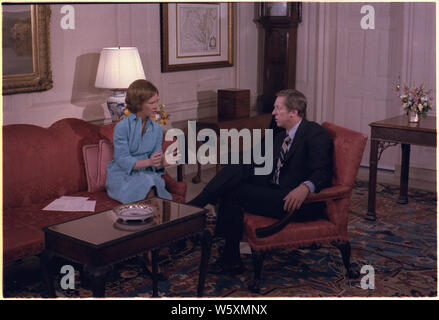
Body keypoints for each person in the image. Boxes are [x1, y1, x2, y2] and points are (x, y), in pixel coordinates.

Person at [187, 89, 334, 274]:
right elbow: (254, 157)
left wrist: (305, 187)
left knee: (235, 191)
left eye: (278, 108)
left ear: (293, 113)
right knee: (237, 171)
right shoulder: (281, 134)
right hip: (276, 188)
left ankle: (194, 211)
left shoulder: (316, 134)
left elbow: (323, 171)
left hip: (299, 201)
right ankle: (227, 254)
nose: (273, 113)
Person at [106, 79, 172, 204]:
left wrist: (163, 162)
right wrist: (149, 161)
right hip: (123, 175)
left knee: (152, 182)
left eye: (157, 101)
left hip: (146, 173)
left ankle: (155, 221)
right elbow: (122, 160)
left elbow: (156, 160)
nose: (156, 106)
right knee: (148, 183)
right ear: (139, 104)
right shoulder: (122, 127)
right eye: (152, 102)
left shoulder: (156, 128)